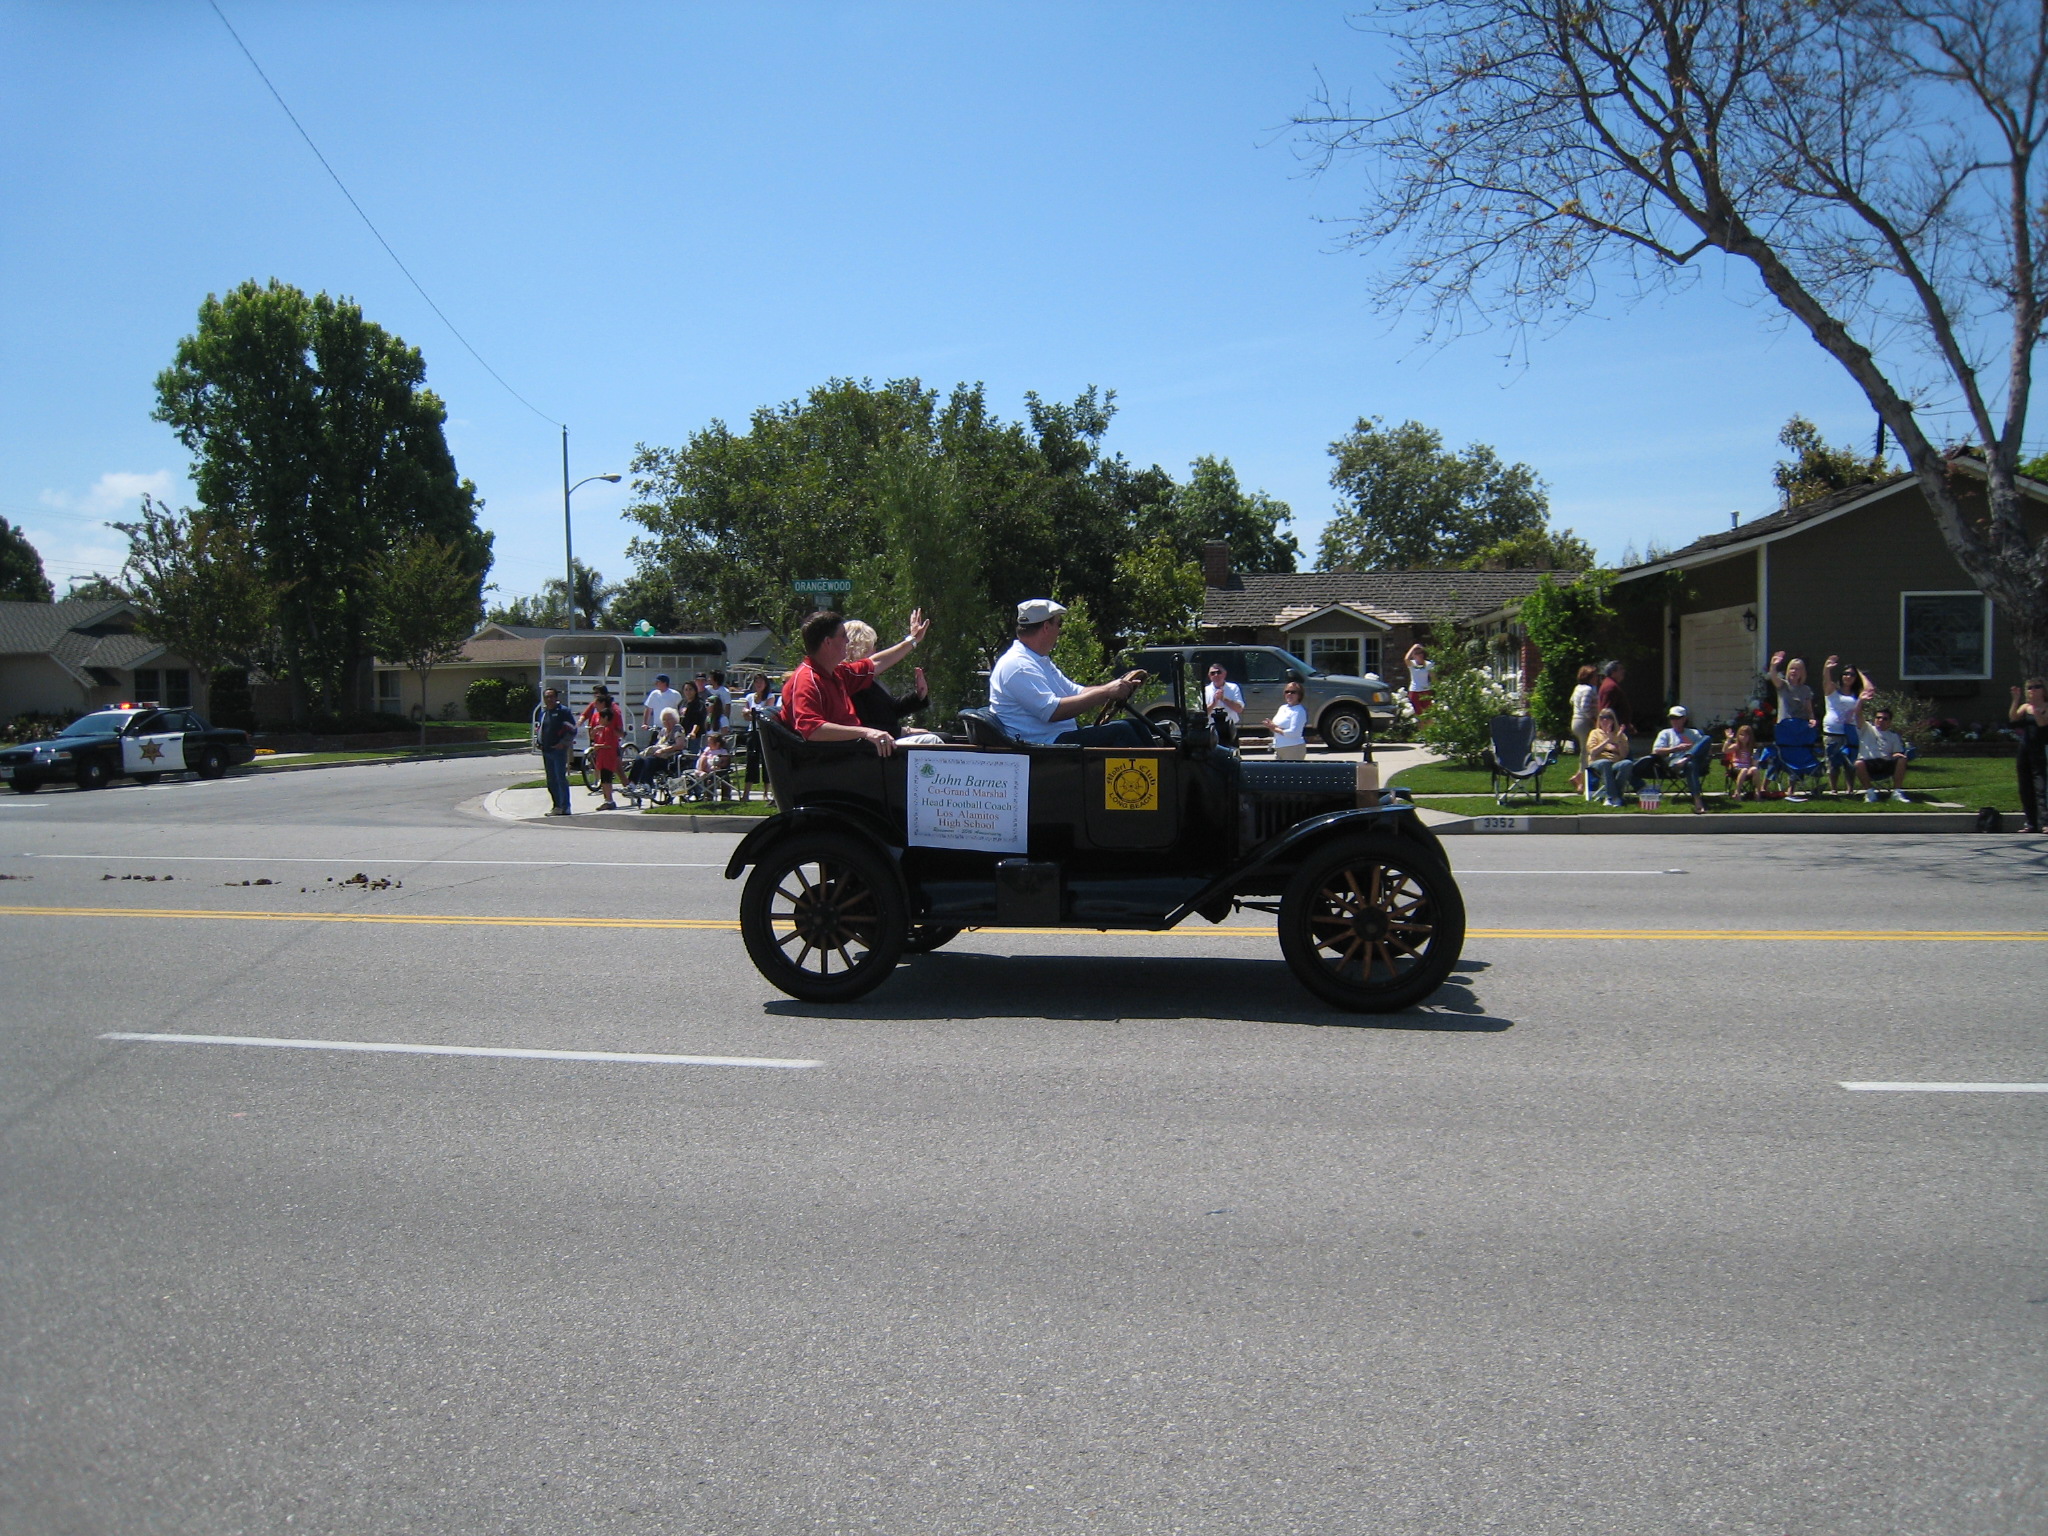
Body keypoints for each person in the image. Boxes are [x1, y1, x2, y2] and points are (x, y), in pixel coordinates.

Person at [987, 598, 1151, 747]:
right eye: (1058, 624)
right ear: (1046, 627)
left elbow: (1075, 691)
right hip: (1041, 745)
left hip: (1053, 739)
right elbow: (1051, 711)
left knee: (1134, 726)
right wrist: (1105, 693)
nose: (1059, 631)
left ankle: (1165, 776)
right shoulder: (1018, 665)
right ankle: (1159, 778)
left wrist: (1114, 688)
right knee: (1122, 732)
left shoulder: (1038, 661)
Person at [785, 607, 931, 756]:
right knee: (931, 743)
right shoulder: (806, 681)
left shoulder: (837, 673)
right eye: (843, 636)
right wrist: (866, 732)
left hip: (852, 753)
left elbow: (875, 663)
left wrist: (912, 640)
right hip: (836, 762)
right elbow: (812, 730)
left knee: (932, 744)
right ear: (828, 642)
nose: (847, 641)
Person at [841, 619, 933, 734]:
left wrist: (919, 695)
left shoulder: (868, 680)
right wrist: (904, 731)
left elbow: (890, 711)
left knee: (944, 738)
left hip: (887, 738)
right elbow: (863, 726)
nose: (875, 650)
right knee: (935, 740)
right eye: (871, 645)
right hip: (874, 745)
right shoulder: (849, 681)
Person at [1821, 656, 1875, 792]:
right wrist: (1827, 669)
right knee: (1833, 763)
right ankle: (1834, 789)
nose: (1848, 676)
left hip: (1850, 732)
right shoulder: (1832, 690)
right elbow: (1826, 681)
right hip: (1832, 732)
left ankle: (1850, 789)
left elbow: (1870, 689)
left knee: (1850, 763)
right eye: (1845, 674)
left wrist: (1859, 672)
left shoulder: (1857, 695)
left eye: (1851, 674)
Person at [1649, 704, 1713, 814]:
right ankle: (1698, 801)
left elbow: (1707, 750)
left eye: (1677, 718)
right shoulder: (1665, 733)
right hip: (1675, 763)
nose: (1674, 721)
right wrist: (1676, 748)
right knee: (1690, 765)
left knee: (1706, 739)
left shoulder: (1693, 733)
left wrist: (1692, 749)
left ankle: (1686, 758)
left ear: (1684, 719)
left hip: (1693, 761)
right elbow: (1656, 752)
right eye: (1672, 718)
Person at [2010, 677, 2048, 833]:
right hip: (2025, 749)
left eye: (2036, 687)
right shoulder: (2026, 707)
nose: (2032, 690)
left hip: (2041, 750)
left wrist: (2038, 712)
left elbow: (2042, 724)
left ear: (2043, 690)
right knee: (2025, 786)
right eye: (2029, 688)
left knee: (2041, 787)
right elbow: (2013, 718)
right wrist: (2016, 699)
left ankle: (2045, 822)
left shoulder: (2046, 706)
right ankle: (2031, 822)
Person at [1854, 706, 1913, 802]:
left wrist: (1897, 755)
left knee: (1902, 759)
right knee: (1858, 763)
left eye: (1885, 719)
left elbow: (1896, 752)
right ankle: (1870, 793)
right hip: (1869, 764)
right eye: (1878, 718)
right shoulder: (1866, 729)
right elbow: (1858, 714)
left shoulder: (1893, 736)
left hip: (1885, 764)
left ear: (1889, 722)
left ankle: (1897, 792)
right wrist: (1861, 700)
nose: (1881, 720)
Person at [625, 707, 687, 799]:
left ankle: (647, 786)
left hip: (670, 759)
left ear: (675, 719)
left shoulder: (678, 729)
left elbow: (680, 745)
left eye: (669, 719)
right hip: (659, 757)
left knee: (649, 760)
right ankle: (632, 785)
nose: (667, 722)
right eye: (664, 720)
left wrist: (663, 750)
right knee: (639, 759)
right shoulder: (663, 731)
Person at [579, 685, 624, 810]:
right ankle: (608, 800)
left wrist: (607, 729)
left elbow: (617, 735)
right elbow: (593, 732)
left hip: (610, 752)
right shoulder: (596, 715)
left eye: (597, 697)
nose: (594, 703)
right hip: (601, 753)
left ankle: (631, 790)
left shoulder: (613, 713)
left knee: (614, 774)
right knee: (603, 776)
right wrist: (594, 733)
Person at [737, 673, 780, 801]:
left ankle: (766, 793)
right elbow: (746, 715)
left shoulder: (770, 697)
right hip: (752, 731)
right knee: (751, 760)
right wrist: (752, 713)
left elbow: (765, 712)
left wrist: (752, 712)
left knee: (766, 761)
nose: (758, 684)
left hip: (765, 731)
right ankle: (746, 793)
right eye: (756, 682)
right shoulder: (749, 697)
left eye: (761, 682)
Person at [534, 686, 575, 816]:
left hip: (558, 751)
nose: (549, 699)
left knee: (560, 778)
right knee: (551, 780)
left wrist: (563, 743)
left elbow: (572, 730)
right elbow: (540, 729)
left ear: (556, 698)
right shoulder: (543, 713)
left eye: (552, 696)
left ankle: (565, 806)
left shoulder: (563, 712)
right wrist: (539, 742)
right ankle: (556, 806)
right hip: (546, 751)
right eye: (547, 697)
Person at [1583, 707, 1634, 807]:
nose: (1605, 720)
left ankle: (1615, 797)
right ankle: (1612, 797)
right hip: (1598, 762)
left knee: (1627, 763)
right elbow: (1592, 752)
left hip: (1615, 762)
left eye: (1608, 717)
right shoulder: (1595, 733)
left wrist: (1619, 740)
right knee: (1605, 763)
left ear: (1613, 720)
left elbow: (1623, 755)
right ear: (1599, 719)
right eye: (1602, 717)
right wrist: (1607, 741)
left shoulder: (1620, 735)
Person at [1568, 663, 1599, 793]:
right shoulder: (1588, 689)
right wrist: (1593, 719)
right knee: (1587, 752)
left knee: (1584, 751)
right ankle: (1581, 780)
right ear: (1589, 676)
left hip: (1575, 720)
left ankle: (1579, 777)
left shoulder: (1578, 688)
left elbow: (1571, 701)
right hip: (1584, 722)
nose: (1597, 678)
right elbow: (1585, 706)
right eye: (1595, 675)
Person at [1767, 651, 1817, 726]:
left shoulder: (1806, 689)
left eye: (1797, 669)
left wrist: (1812, 719)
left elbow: (1809, 710)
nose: (1794, 671)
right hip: (1784, 725)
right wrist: (1773, 665)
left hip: (1799, 725)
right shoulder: (1783, 685)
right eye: (1792, 668)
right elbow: (1773, 677)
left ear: (1802, 672)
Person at [1204, 663, 1244, 746]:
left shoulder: (1233, 688)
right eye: (1212, 673)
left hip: (1229, 729)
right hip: (1212, 730)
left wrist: (1223, 698)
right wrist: (1214, 702)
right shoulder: (1205, 690)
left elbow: (1239, 709)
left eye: (1219, 672)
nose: (1216, 675)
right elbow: (1203, 713)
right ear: (1209, 676)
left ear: (1224, 674)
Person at [1268, 679, 1309, 761]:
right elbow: (1276, 726)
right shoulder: (1282, 708)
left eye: (1293, 692)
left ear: (1299, 695)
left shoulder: (1299, 711)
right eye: (1287, 692)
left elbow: (1294, 732)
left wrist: (1275, 729)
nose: (1289, 694)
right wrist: (1270, 725)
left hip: (1293, 748)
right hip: (1279, 747)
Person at [1595, 660, 1632, 739]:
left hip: (1619, 726)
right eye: (1620, 669)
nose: (1623, 671)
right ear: (1613, 672)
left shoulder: (1611, 684)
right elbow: (1606, 709)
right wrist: (1607, 729)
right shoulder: (1610, 686)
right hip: (1615, 729)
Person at [1727, 723, 1763, 802]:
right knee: (1744, 770)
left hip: (1747, 768)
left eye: (1746, 736)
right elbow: (1725, 750)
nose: (1743, 738)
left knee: (1755, 769)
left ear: (1750, 737)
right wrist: (1728, 739)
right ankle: (1737, 792)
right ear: (1738, 736)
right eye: (1741, 735)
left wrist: (1755, 758)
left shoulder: (1752, 748)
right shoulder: (1736, 746)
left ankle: (1757, 792)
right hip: (1735, 769)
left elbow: (1754, 763)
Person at [1404, 642, 1434, 713]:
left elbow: (1433, 678)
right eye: (1416, 653)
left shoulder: (1428, 664)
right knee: (1418, 714)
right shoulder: (1412, 664)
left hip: (1426, 691)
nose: (1419, 655)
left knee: (1428, 713)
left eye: (1420, 653)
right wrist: (1414, 647)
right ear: (1413, 655)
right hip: (1414, 691)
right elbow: (1406, 659)